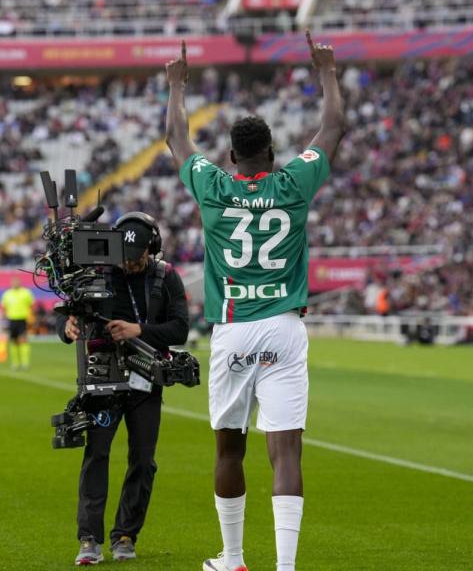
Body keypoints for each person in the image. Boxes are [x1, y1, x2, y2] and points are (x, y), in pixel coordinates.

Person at [165, 32, 346, 571]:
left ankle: (234, 558)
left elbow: (176, 138)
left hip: (233, 328)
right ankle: (285, 567)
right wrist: (327, 72)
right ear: (271, 153)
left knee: (229, 449)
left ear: (231, 156)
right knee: (286, 450)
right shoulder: (293, 183)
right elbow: (334, 127)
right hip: (284, 327)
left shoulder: (213, 186)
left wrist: (176, 86)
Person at [57, 212, 190, 565]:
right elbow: (67, 314)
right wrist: (67, 327)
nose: (129, 264)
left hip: (146, 379)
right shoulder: (95, 273)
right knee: (96, 455)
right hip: (102, 377)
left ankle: (126, 535)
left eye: (136, 257)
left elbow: (180, 329)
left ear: (152, 248)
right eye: (124, 257)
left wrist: (138, 330)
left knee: (143, 461)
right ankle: (89, 539)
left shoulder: (166, 276)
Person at [0, 276, 34, 370]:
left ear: (20, 283)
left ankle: (25, 363)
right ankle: (15, 363)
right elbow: (4, 307)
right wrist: (3, 320)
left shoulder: (26, 292)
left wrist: (31, 318)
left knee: (23, 340)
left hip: (23, 319)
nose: (15, 284)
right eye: (13, 282)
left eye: (17, 282)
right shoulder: (7, 294)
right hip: (11, 320)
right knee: (13, 341)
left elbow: (31, 306)